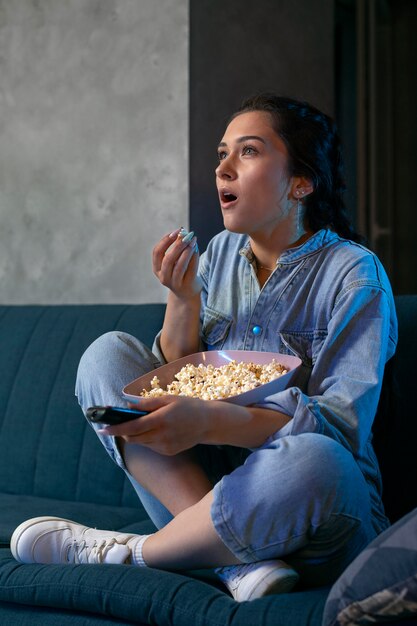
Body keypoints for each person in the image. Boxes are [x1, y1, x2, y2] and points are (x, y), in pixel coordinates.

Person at [11, 93, 398, 602]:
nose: (224, 168)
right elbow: (179, 371)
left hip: (311, 507)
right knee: (107, 355)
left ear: (302, 182)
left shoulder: (355, 276)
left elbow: (343, 429)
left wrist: (209, 421)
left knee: (319, 458)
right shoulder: (219, 252)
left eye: (249, 151)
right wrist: (183, 297)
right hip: (207, 484)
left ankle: (133, 551)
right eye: (222, 154)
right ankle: (234, 562)